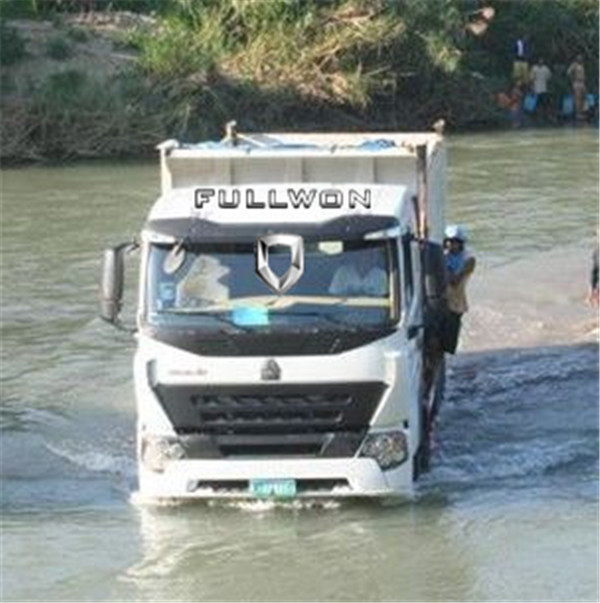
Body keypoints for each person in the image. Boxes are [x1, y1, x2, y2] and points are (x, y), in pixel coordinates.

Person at [442, 224, 476, 354]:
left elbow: (455, 282)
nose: (451, 244)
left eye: (455, 242)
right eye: (449, 241)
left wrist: (444, 265)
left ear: (461, 243)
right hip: (442, 302)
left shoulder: (469, 260)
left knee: (450, 342)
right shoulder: (444, 255)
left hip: (456, 304)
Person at [567, 54, 586, 121]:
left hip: (582, 82)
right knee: (577, 98)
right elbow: (568, 72)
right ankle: (577, 114)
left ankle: (581, 112)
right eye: (579, 58)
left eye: (581, 58)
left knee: (583, 97)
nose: (580, 59)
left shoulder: (582, 65)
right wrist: (573, 79)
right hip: (576, 82)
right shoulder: (574, 65)